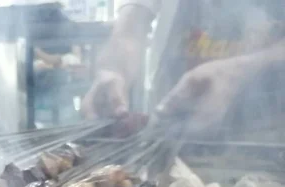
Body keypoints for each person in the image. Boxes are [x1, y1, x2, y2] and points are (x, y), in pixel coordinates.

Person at [82, 0, 285, 138]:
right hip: (171, 132)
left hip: (268, 137)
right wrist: (114, 70)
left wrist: (241, 69)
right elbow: (132, 25)